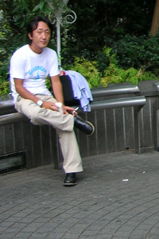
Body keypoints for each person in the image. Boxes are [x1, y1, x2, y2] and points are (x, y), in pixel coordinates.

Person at [9, 17, 95, 187]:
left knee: (64, 126)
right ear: (30, 35)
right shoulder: (20, 55)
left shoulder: (51, 54)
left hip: (45, 95)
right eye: (39, 32)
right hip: (25, 97)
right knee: (36, 113)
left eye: (47, 32)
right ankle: (72, 120)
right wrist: (41, 103)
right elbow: (19, 87)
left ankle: (72, 171)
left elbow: (55, 82)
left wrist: (60, 105)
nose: (44, 36)